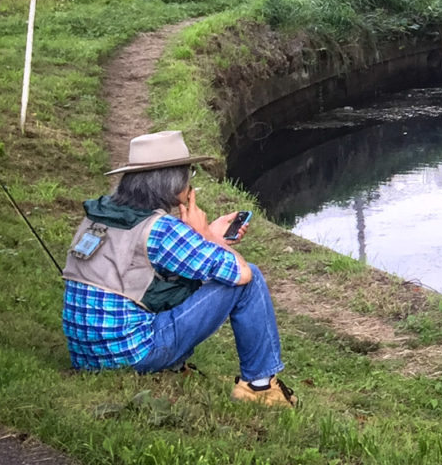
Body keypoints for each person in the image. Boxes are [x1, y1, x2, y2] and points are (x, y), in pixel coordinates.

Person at [61, 130, 295, 407]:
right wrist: (206, 236)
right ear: (173, 183)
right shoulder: (162, 230)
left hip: (84, 354)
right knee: (252, 277)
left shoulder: (100, 215)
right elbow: (240, 273)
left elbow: (145, 269)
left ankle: (194, 370)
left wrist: (205, 237)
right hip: (136, 353)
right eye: (188, 174)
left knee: (197, 273)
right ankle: (259, 387)